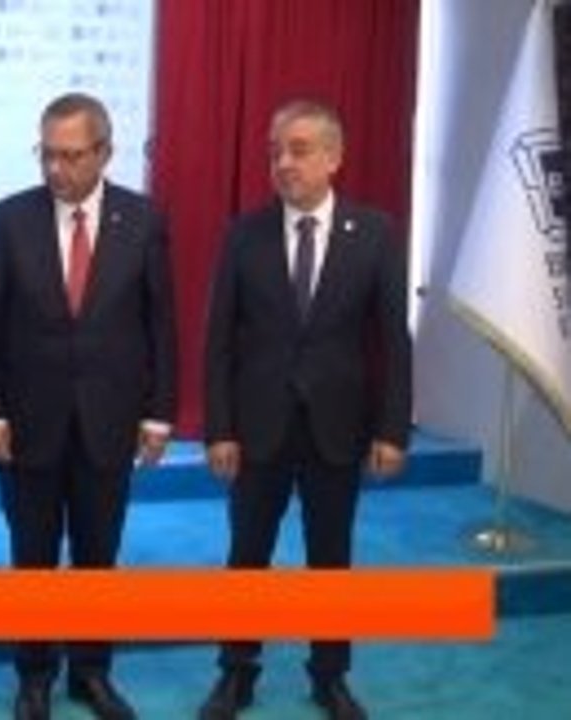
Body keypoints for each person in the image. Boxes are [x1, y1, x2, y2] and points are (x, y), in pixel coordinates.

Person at [198, 98, 412, 720]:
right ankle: (236, 673)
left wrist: (393, 429)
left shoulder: (374, 233)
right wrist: (219, 428)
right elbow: (218, 340)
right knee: (248, 555)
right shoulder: (244, 234)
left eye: (298, 150)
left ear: (333, 157)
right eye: (275, 152)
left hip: (337, 426)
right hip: (258, 426)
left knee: (330, 557)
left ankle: (329, 676)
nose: (284, 164)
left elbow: (392, 339)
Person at [0, 92, 177, 720]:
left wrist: (158, 413)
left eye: (71, 155)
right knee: (32, 558)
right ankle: (33, 677)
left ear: (104, 152)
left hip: (109, 421)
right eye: (47, 155)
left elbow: (160, 324)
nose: (56, 168)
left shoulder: (143, 219)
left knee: (96, 556)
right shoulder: (10, 219)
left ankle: (91, 673)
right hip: (28, 424)